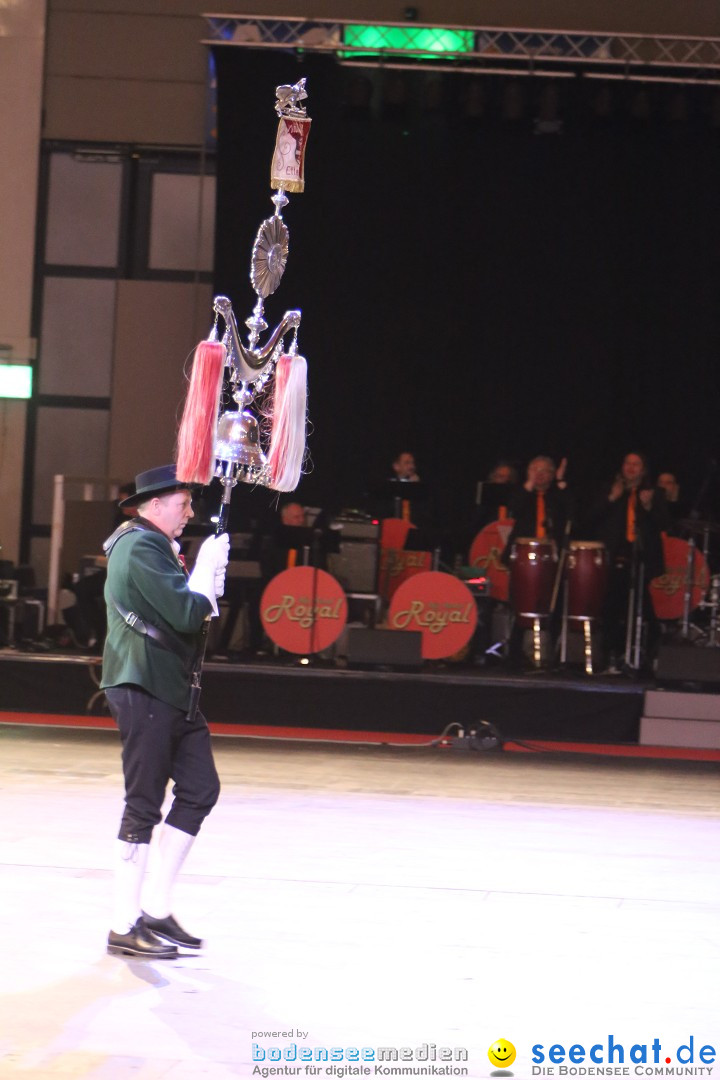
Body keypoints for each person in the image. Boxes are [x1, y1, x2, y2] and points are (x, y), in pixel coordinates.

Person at [101, 464, 229, 959]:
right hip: (145, 683)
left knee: (200, 789)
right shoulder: (139, 546)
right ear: (154, 506)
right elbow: (184, 613)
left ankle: (154, 907)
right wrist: (202, 574)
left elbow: (183, 614)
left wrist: (200, 576)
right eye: (183, 504)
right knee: (143, 805)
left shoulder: (150, 546)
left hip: (168, 686)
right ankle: (122, 924)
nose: (190, 512)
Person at [586, 451, 667, 669]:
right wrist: (611, 498)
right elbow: (589, 520)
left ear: (643, 469)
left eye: (636, 464)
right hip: (613, 556)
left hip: (640, 557)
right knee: (610, 606)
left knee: (643, 607)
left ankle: (647, 653)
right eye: (627, 463)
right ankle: (609, 653)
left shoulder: (653, 493)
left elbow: (665, 524)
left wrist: (648, 507)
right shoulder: (609, 489)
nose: (631, 468)